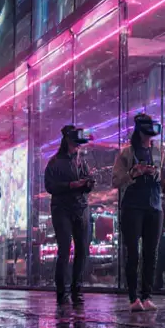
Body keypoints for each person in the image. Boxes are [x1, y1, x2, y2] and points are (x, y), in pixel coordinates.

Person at [113, 114, 165, 312]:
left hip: (155, 206)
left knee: (151, 253)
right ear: (139, 131)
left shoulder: (160, 150)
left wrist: (161, 177)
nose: (150, 135)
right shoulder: (127, 152)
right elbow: (115, 180)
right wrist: (135, 172)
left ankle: (147, 296)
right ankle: (134, 298)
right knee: (133, 253)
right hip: (132, 206)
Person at [44, 126, 95, 306]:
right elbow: (50, 186)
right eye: (76, 142)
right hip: (62, 209)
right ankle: (62, 292)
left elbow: (87, 186)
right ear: (68, 140)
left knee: (82, 250)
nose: (78, 146)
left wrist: (88, 184)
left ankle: (77, 290)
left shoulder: (81, 161)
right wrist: (71, 185)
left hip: (81, 208)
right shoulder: (55, 162)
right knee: (64, 250)